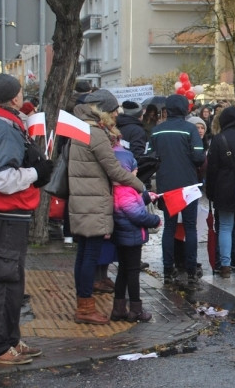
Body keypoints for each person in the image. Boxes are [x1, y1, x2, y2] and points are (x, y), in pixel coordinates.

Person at [0, 74, 52, 364]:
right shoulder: (3, 127)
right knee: (4, 280)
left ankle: (10, 340)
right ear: (15, 97)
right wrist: (35, 174)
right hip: (3, 213)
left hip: (5, 213)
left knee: (11, 279)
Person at [68, 89, 145, 324]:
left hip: (82, 200)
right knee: (89, 255)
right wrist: (139, 184)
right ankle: (85, 308)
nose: (116, 116)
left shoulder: (79, 129)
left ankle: (84, 304)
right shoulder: (95, 133)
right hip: (93, 202)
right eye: (113, 111)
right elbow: (113, 168)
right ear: (102, 110)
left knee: (84, 254)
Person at [146, 93, 206, 286]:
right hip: (188, 185)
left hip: (166, 186)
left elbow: (149, 157)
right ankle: (190, 270)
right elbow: (199, 157)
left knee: (169, 228)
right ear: (185, 109)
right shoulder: (190, 129)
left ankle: (167, 270)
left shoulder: (156, 131)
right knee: (190, 227)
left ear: (167, 109)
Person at [109, 144, 161, 322]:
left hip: (123, 236)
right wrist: (155, 220)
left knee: (123, 271)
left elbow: (132, 204)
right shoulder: (125, 189)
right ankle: (136, 309)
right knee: (132, 272)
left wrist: (147, 197)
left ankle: (119, 309)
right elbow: (135, 213)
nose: (136, 170)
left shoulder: (120, 188)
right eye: (133, 167)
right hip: (130, 237)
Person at [207, 107, 235, 279]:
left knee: (225, 227)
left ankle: (225, 267)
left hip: (224, 189)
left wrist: (210, 192)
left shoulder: (219, 139)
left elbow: (212, 169)